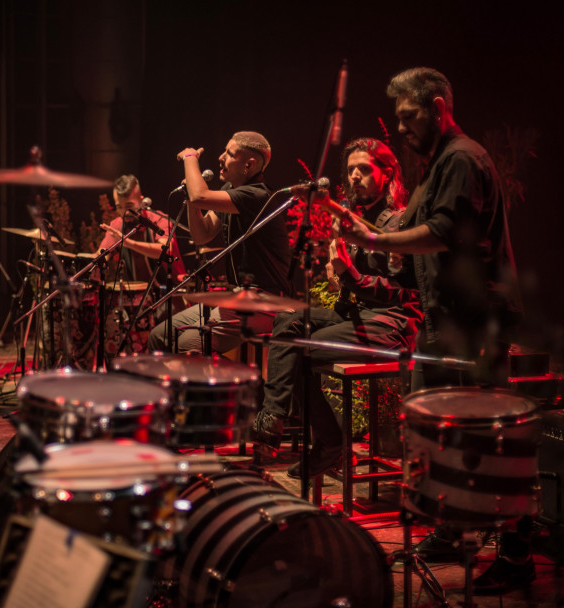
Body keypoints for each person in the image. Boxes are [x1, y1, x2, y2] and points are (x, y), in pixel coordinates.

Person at [337, 68, 528, 594]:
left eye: (409, 116)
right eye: (397, 118)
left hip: (475, 323)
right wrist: (361, 235)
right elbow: (405, 233)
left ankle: (516, 554)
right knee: (437, 433)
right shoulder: (437, 163)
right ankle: (448, 532)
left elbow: (442, 234)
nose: (400, 128)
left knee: (488, 440)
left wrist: (372, 242)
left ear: (439, 106)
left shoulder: (462, 158)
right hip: (446, 320)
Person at [253, 138, 423, 478]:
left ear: (387, 174)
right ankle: (274, 419)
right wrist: (339, 274)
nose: (355, 176)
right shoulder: (355, 219)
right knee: (289, 320)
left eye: (364, 169)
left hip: (393, 323)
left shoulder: (400, 222)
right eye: (350, 170)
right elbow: (353, 285)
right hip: (362, 313)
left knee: (300, 352)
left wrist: (350, 274)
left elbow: (404, 292)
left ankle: (330, 443)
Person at [146, 131, 292, 354]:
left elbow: (201, 196)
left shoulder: (257, 195)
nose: (221, 157)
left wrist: (190, 158)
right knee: (159, 336)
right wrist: (191, 197)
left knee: (182, 347)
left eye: (230, 153)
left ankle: (233, 386)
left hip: (263, 303)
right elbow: (202, 234)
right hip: (237, 297)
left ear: (249, 165)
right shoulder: (230, 191)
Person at [97, 174, 185, 285]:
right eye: (119, 207)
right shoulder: (117, 225)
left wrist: (128, 243)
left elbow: (166, 250)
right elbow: (101, 255)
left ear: (141, 201)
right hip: (136, 298)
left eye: (129, 206)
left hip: (172, 293)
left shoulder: (159, 219)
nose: (125, 212)